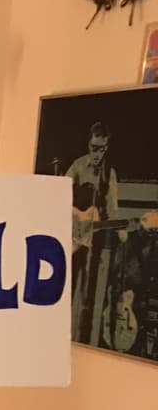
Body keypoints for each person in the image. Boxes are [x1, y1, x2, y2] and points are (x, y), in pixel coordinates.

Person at [66, 121, 124, 344]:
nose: (97, 153)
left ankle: (81, 337)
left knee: (89, 292)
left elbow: (112, 208)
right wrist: (73, 217)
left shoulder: (109, 173)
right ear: (88, 144)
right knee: (67, 286)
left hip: (94, 241)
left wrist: (122, 231)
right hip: (72, 238)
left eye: (101, 149)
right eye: (93, 148)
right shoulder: (78, 166)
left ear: (107, 147)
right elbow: (58, 194)